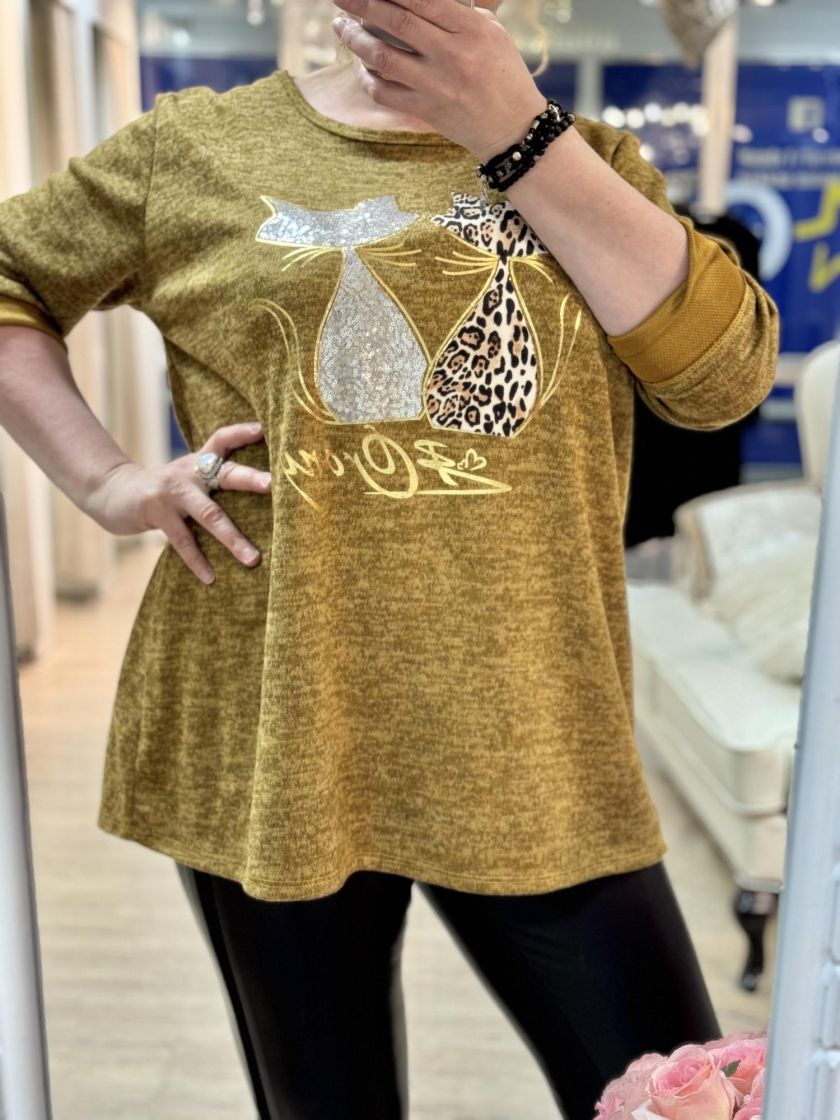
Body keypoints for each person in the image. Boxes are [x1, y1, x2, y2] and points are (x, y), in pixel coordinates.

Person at [0, 1, 779, 1117]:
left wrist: (514, 128)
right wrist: (107, 482)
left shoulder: (595, 163)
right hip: (279, 723)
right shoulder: (197, 148)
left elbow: (723, 380)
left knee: (688, 1101)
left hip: (536, 738)